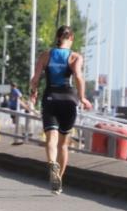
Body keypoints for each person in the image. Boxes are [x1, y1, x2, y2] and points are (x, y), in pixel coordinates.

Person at [29, 25, 92, 195]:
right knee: (63, 145)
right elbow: (78, 77)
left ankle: (51, 163)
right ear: (70, 38)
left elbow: (35, 79)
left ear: (57, 37)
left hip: (50, 98)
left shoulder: (45, 55)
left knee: (51, 138)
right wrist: (83, 97)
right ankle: (59, 180)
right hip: (69, 100)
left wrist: (33, 94)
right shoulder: (75, 57)